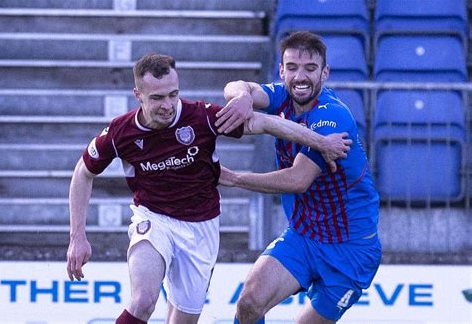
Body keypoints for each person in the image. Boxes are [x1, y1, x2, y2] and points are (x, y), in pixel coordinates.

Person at [65, 53, 351, 324]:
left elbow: (266, 123)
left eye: (173, 94)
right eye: (157, 98)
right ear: (138, 95)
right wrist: (77, 236)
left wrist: (321, 142)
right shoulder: (120, 133)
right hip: (153, 220)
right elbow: (83, 172)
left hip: (201, 228)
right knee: (142, 300)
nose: (168, 105)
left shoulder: (200, 117)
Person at [219, 31, 382, 323]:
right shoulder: (281, 95)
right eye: (292, 67)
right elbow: (235, 86)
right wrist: (243, 96)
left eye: (310, 68)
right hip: (304, 236)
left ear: (325, 73)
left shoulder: (333, 116)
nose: (300, 76)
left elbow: (298, 180)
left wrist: (234, 178)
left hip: (351, 250)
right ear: (281, 71)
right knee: (249, 304)